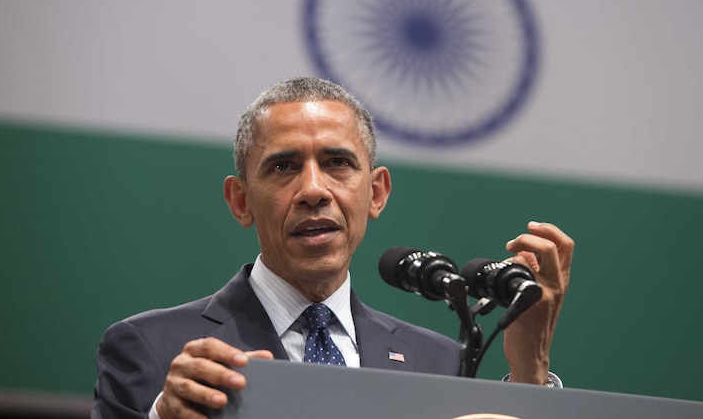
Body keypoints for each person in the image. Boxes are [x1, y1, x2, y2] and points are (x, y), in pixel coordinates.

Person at [92, 77, 574, 418]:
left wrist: (529, 370)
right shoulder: (152, 349)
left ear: (377, 193)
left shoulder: (440, 362)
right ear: (241, 201)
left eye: (338, 163)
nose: (314, 190)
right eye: (283, 167)